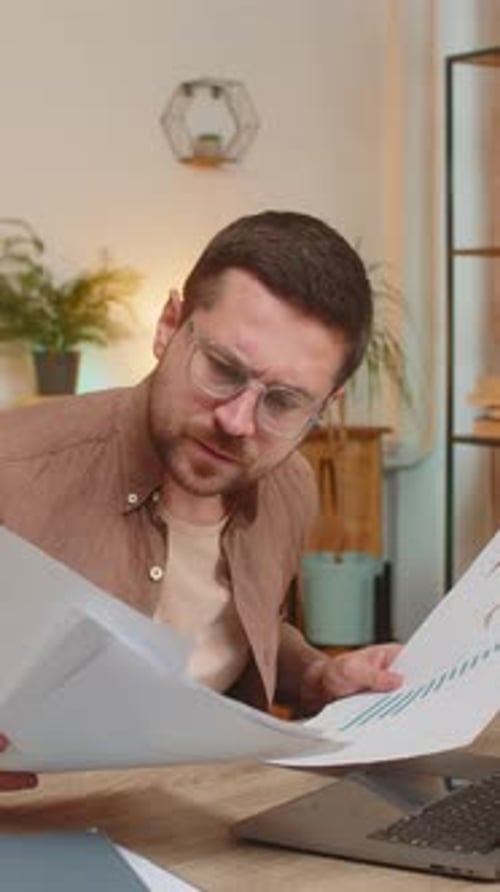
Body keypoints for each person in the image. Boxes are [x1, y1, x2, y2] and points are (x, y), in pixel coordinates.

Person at [0, 210, 402, 791]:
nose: (237, 423)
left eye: (285, 402)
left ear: (326, 405)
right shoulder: (14, 471)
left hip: (203, 821)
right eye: (221, 368)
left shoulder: (291, 487)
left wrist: (317, 675)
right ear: (169, 325)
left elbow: (242, 632)